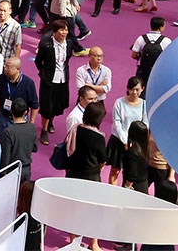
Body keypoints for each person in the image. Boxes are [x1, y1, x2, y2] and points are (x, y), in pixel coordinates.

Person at [64, 102, 107, 251]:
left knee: (73, 208)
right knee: (94, 210)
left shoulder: (75, 129)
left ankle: (73, 241)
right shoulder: (98, 137)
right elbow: (103, 158)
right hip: (91, 178)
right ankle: (94, 243)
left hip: (73, 175)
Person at [35, 19, 75, 145]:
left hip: (63, 79)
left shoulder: (69, 43)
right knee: (47, 106)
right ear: (55, 31)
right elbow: (38, 61)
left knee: (57, 104)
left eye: (66, 30)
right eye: (61, 30)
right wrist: (45, 72)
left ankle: (51, 121)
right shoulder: (46, 44)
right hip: (49, 80)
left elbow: (68, 59)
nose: (64, 33)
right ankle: (44, 130)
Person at [106, 76, 146, 186]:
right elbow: (117, 123)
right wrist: (125, 141)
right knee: (115, 170)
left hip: (136, 143)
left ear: (142, 89)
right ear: (128, 89)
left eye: (137, 89)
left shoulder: (144, 104)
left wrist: (135, 141)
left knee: (132, 171)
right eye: (132, 89)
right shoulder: (119, 102)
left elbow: (145, 123)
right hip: (119, 140)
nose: (134, 92)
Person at [0, 57, 39, 135]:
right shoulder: (2, 78)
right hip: (2, 116)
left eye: (8, 67)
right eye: (5, 66)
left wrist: (31, 123)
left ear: (17, 69)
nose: (5, 69)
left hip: (19, 120)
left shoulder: (28, 83)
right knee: (0, 139)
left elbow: (34, 105)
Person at [0, 99, 37, 182]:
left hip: (12, 171)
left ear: (11, 111)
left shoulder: (8, 132)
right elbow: (35, 148)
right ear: (25, 113)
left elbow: (6, 156)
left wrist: (2, 175)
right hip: (26, 169)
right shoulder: (32, 127)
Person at [130, 17, 170, 95]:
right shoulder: (166, 41)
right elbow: (168, 58)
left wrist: (142, 58)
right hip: (158, 71)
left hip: (142, 69)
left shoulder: (141, 38)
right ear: (161, 27)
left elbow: (134, 55)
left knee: (141, 91)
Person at [121, 121, 151, 193]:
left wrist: (126, 187)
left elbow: (132, 174)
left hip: (134, 187)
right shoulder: (145, 148)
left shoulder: (133, 152)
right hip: (143, 184)